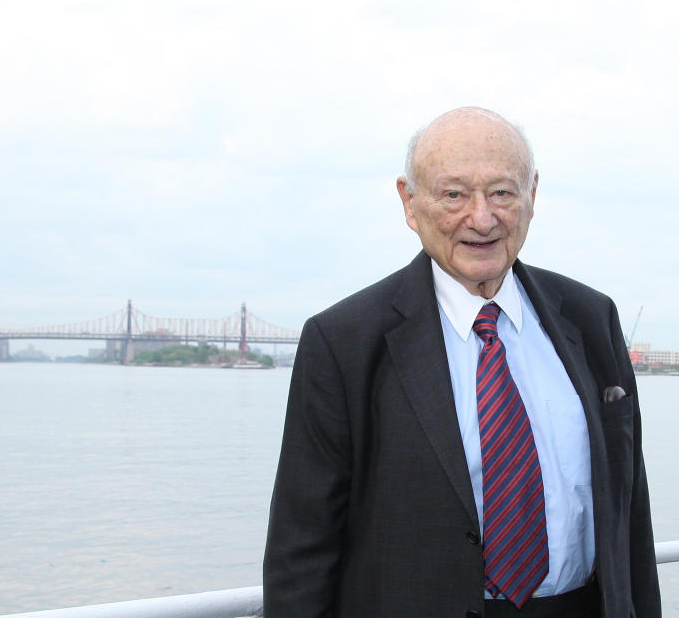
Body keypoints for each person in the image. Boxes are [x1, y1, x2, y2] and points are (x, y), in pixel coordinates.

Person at [263, 107, 660, 617]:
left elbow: (631, 514)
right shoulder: (343, 343)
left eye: (501, 192)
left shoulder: (591, 318)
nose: (482, 218)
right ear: (409, 202)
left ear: (531, 196)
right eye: (453, 195)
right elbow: (303, 547)